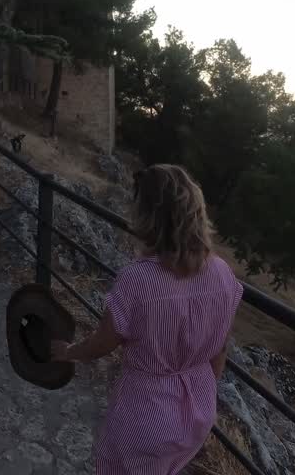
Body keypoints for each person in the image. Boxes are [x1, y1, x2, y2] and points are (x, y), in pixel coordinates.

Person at [51, 164, 243, 475]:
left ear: (148, 217)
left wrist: (68, 352)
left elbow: (102, 343)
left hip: (145, 415)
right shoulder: (223, 274)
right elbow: (219, 351)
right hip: (198, 410)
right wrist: (198, 394)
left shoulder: (136, 280)